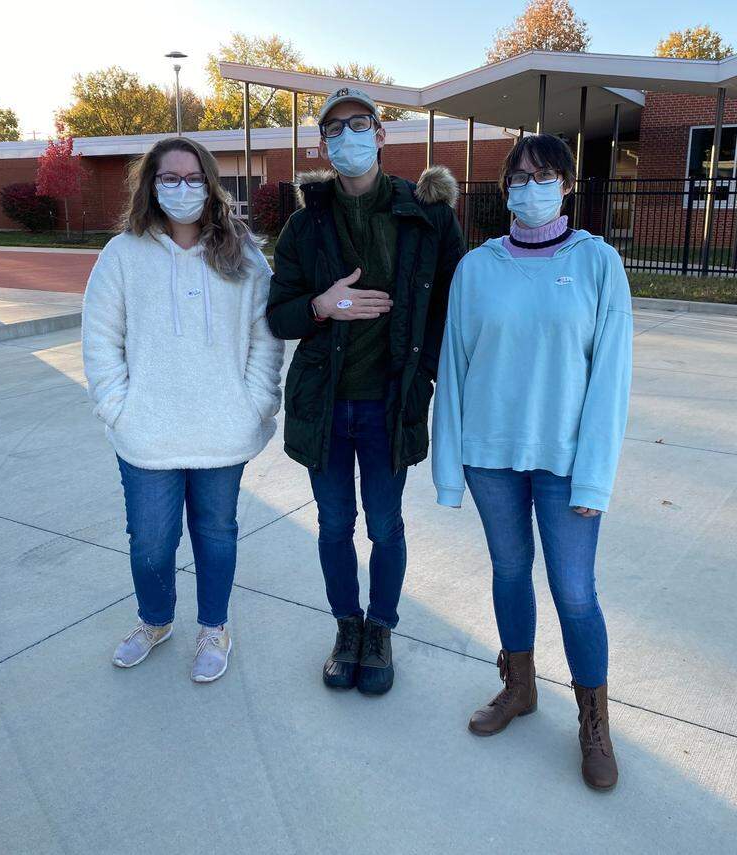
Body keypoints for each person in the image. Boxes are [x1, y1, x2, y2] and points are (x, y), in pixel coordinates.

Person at [431, 133, 633, 789]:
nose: (531, 186)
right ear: (505, 188)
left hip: (566, 464)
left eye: (545, 175)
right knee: (510, 571)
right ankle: (518, 687)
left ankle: (593, 722)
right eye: (519, 176)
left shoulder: (598, 263)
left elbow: (611, 379)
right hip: (490, 458)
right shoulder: (476, 267)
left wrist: (595, 476)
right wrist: (448, 466)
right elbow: (454, 370)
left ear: (567, 185)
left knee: (575, 592)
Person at [268, 87, 465, 695]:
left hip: (388, 405)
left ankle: (380, 627)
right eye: (334, 130)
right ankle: (346, 626)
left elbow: (450, 307)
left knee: (384, 524)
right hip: (323, 405)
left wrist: (425, 374)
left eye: (359, 125)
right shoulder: (306, 225)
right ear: (322, 145)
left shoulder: (425, 214)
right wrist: (323, 306)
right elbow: (280, 315)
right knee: (332, 525)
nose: (346, 137)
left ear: (381, 135)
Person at [82, 137, 284, 683]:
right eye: (168, 178)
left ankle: (214, 627)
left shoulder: (242, 254)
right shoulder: (122, 254)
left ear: (211, 183)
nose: (181, 189)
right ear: (151, 185)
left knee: (216, 534)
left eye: (193, 178)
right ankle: (155, 621)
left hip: (223, 430)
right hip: (147, 432)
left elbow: (265, 338)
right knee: (150, 543)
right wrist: (117, 407)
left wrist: (256, 402)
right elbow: (101, 338)